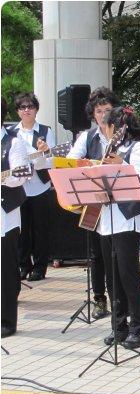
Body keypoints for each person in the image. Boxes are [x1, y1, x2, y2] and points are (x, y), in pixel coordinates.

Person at [99, 106, 140, 349]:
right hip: (108, 218)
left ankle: (138, 329)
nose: (106, 131)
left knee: (128, 274)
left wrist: (123, 163)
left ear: (117, 128)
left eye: (108, 126)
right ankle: (118, 325)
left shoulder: (139, 147)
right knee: (112, 276)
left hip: (129, 220)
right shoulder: (112, 149)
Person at [68, 87, 121, 320]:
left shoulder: (123, 134)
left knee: (119, 254)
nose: (102, 115)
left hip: (120, 203)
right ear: (93, 114)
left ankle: (122, 299)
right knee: (97, 254)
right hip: (95, 205)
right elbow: (71, 161)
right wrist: (89, 165)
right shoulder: (87, 137)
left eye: (107, 110)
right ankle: (100, 300)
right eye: (98, 111)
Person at [11, 93, 56, 282]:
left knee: (40, 229)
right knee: (21, 229)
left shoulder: (46, 131)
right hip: (17, 188)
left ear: (36, 109)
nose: (26, 110)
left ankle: (39, 267)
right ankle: (22, 265)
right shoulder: (12, 133)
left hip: (40, 187)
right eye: (22, 107)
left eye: (30, 106)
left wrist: (44, 154)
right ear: (17, 111)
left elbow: (53, 161)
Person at [1, 97, 30, 337]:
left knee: (6, 269)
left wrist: (4, 177)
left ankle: (7, 321)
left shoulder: (13, 142)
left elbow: (20, 175)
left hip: (5, 213)